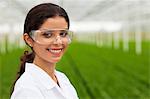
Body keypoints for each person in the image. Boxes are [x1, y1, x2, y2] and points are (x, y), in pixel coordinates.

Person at [11, 3, 79, 99]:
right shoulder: (27, 90)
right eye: (47, 34)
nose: (58, 42)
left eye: (63, 34)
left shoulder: (62, 78)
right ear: (29, 40)